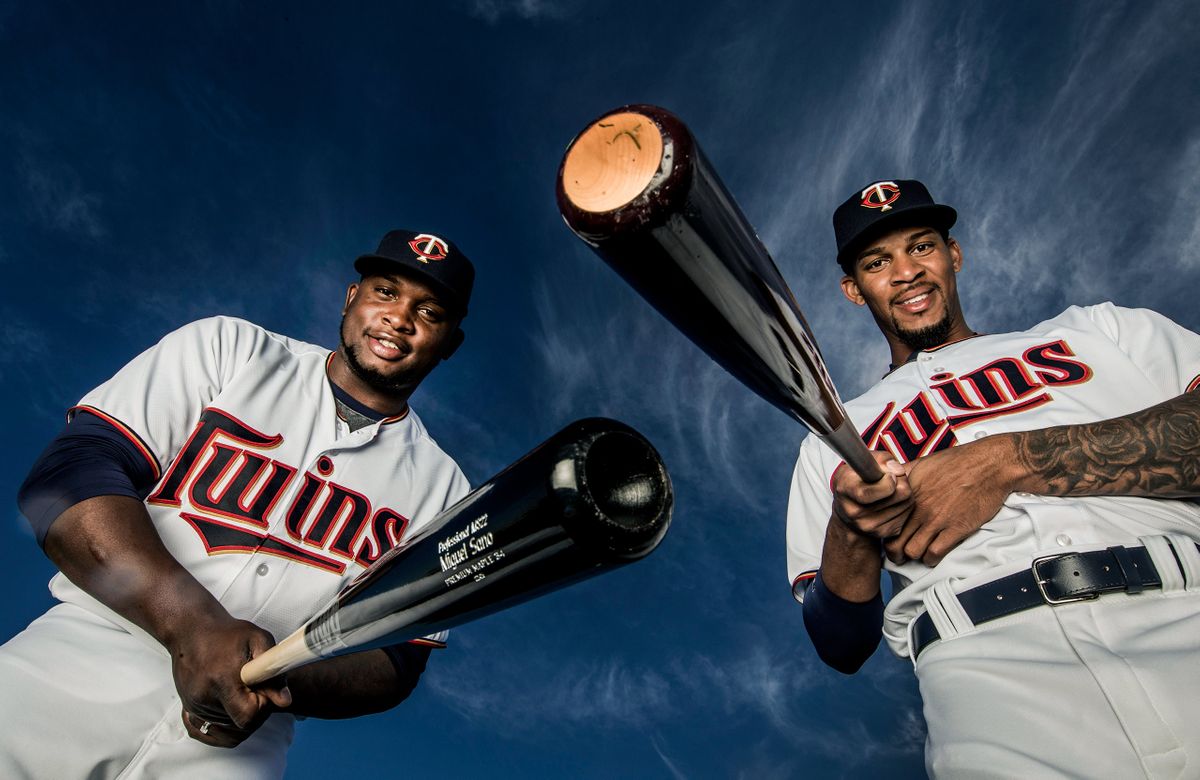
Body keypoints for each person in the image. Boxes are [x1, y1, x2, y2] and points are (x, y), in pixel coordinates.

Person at [2, 230, 476, 778]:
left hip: (246, 734)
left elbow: (397, 658)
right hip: (77, 659)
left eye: (430, 311)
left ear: (449, 343)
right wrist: (192, 625)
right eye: (386, 291)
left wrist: (272, 677)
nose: (399, 318)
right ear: (352, 298)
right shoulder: (231, 350)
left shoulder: (445, 488)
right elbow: (68, 478)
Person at [786, 180, 1200, 778]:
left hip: (1181, 605)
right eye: (878, 262)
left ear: (954, 255)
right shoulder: (831, 438)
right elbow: (840, 642)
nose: (906, 271)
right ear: (855, 290)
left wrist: (1010, 460)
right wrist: (851, 531)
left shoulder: (1096, 331)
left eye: (921, 246)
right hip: (988, 676)